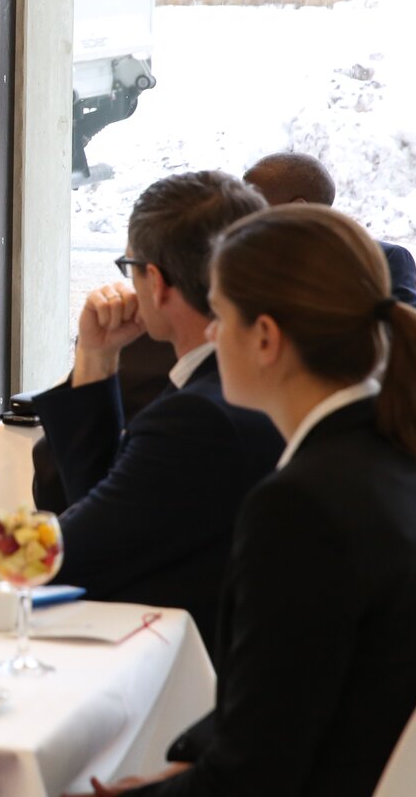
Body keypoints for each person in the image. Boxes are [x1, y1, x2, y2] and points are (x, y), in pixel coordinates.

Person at [85, 204, 416, 797]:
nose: (208, 334)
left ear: (264, 338)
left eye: (221, 317)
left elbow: (250, 780)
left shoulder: (304, 508)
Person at [32, 172, 282, 649]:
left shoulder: (201, 415)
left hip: (187, 668)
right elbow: (107, 514)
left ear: (156, 281)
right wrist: (96, 359)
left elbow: (65, 560)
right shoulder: (266, 378)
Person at [242, 150, 416, 309]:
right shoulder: (240, 261)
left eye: (252, 203)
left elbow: (408, 342)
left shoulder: (383, 261)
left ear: (298, 209)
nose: (241, 213)